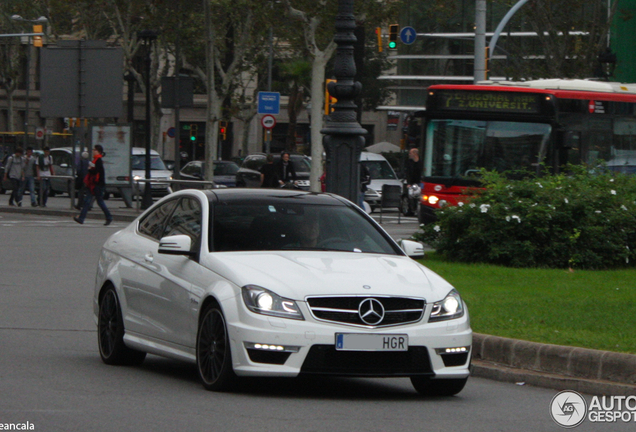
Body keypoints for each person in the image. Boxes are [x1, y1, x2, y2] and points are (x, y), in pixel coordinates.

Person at [74, 145, 113, 226]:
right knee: (88, 201)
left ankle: (109, 217)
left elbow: (95, 172)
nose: (93, 151)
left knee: (98, 202)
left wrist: (89, 169)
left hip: (96, 185)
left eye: (94, 150)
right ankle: (81, 218)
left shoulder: (98, 160)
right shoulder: (95, 160)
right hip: (93, 184)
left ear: (98, 151)